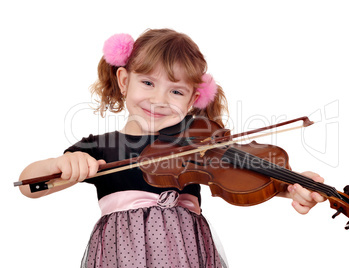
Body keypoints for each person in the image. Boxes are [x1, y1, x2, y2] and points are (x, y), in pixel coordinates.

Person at [18, 28, 325, 268]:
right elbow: (29, 185)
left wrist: (292, 185)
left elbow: (247, 176)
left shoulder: (200, 145)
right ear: (124, 80)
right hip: (123, 253)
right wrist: (63, 162)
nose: (159, 100)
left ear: (192, 99)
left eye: (175, 90)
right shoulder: (100, 147)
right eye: (148, 83)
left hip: (185, 252)